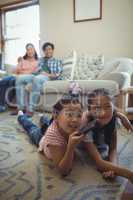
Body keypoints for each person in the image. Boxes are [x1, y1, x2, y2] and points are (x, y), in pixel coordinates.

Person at [17, 92, 133, 182]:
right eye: (69, 114)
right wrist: (71, 148)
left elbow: (102, 111)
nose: (75, 119)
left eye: (78, 115)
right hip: (44, 139)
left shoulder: (83, 121)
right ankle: (22, 117)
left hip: (59, 125)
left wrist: (121, 116)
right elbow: (63, 171)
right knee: (32, 129)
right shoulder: (53, 136)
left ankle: (43, 119)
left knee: (47, 123)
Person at [26, 42, 62, 117]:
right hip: (38, 76)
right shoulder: (40, 60)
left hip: (48, 77)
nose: (48, 51)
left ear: (52, 50)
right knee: (21, 80)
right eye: (45, 50)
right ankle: (21, 107)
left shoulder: (57, 61)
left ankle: (30, 109)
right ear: (44, 51)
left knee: (37, 79)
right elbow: (34, 70)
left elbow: (57, 75)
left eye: (49, 49)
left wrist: (46, 74)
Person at [11, 43, 39, 114]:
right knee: (21, 83)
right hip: (22, 79)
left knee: (19, 79)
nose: (30, 51)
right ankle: (21, 109)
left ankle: (20, 108)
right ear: (26, 52)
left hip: (32, 77)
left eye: (31, 49)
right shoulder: (23, 60)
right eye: (28, 50)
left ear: (34, 50)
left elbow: (38, 73)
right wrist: (19, 62)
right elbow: (15, 71)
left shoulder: (38, 61)